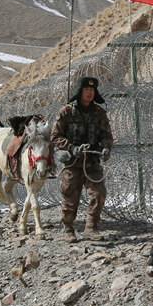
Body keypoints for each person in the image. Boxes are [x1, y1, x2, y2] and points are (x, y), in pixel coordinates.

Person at [51, 77, 114, 241]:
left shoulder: (100, 113)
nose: (89, 93)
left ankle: (91, 228)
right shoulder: (66, 112)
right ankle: (68, 230)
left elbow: (106, 135)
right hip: (73, 162)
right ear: (80, 92)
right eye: (86, 90)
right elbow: (55, 136)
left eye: (92, 90)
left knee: (99, 193)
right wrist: (71, 148)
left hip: (92, 161)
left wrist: (106, 147)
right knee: (70, 196)